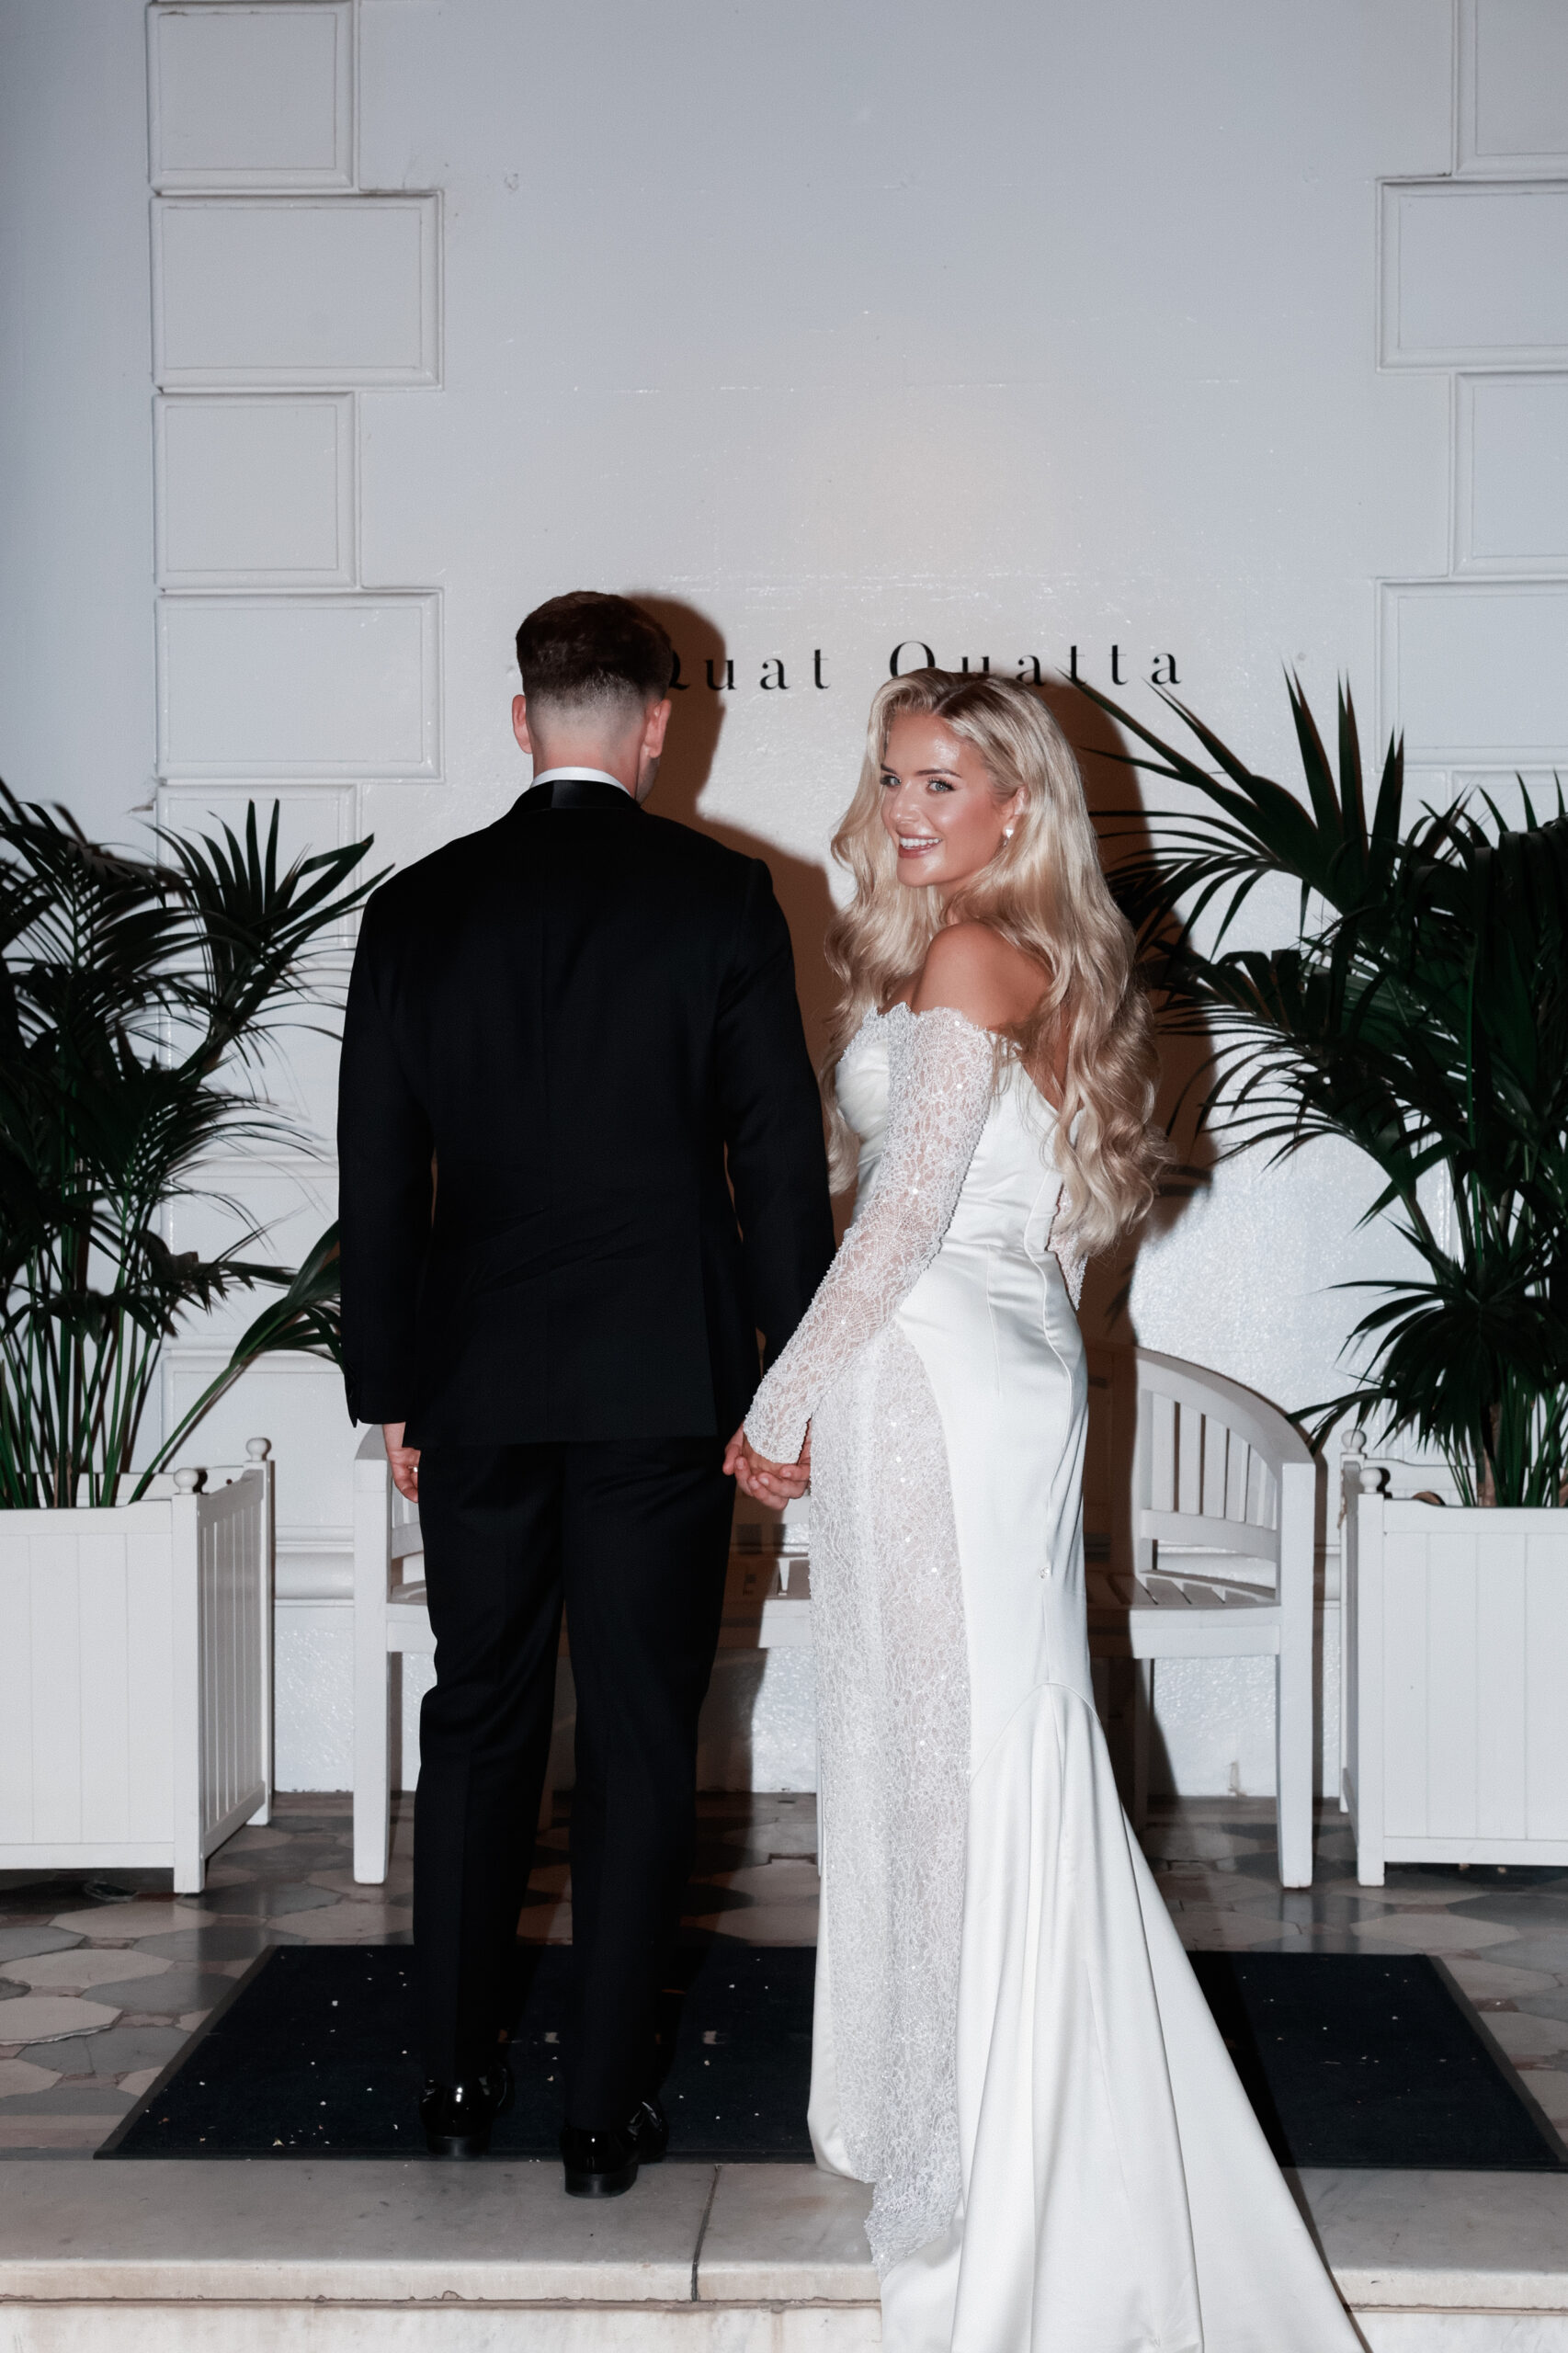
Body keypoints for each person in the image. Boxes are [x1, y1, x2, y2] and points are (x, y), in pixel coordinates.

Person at [727, 670, 1358, 2351]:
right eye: (892, 776)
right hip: (987, 1373)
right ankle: (942, 2101)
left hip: (929, 1380)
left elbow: (901, 1219)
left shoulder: (961, 956)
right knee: (964, 1737)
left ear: (1018, 804)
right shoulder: (1039, 959)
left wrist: (779, 1396)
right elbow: (1034, 1233)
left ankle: (988, 2136)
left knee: (953, 1748)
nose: (909, 806)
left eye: (947, 779)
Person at [337, 591, 835, 2191]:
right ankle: (602, 2109)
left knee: (476, 1719)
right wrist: (792, 1385)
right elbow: (776, 1165)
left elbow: (376, 1170)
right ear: (656, 726)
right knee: (633, 1732)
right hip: (661, 1388)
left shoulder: (417, 912)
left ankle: (454, 2078)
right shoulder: (722, 899)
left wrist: (392, 1390)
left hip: (475, 1383)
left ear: (519, 717)